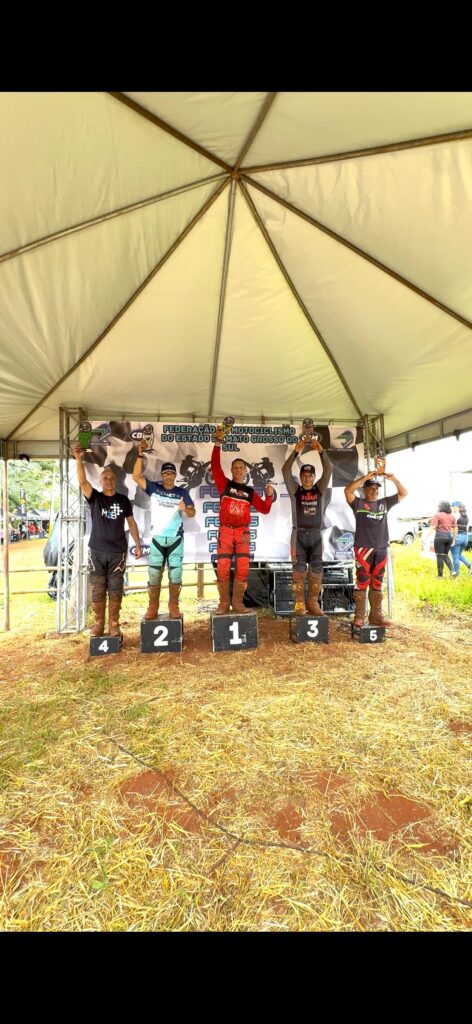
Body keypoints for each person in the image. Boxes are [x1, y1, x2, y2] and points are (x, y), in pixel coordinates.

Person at [73, 445, 142, 637]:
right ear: (100, 481)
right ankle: (98, 624)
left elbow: (131, 522)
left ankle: (114, 625)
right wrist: (78, 459)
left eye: (112, 478)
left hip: (118, 552)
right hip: (96, 551)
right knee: (97, 589)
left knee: (116, 589)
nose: (109, 481)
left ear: (116, 481)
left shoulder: (124, 500)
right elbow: (82, 481)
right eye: (105, 478)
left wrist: (137, 544)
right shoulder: (94, 497)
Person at [211, 426, 274, 614]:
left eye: (241, 467)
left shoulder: (250, 492)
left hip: (243, 533)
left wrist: (269, 496)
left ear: (245, 471)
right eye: (235, 467)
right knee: (223, 567)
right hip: (225, 531)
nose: (238, 470)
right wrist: (217, 443)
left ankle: (238, 603)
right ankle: (224, 604)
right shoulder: (224, 484)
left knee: (243, 568)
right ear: (231, 470)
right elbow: (215, 466)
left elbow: (265, 509)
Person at [133, 442, 196, 619]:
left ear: (175, 476)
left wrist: (185, 508)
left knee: (176, 574)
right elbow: (136, 476)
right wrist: (139, 455)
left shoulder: (182, 492)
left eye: (171, 473)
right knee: (154, 574)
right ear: (162, 475)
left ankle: (173, 605)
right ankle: (153, 606)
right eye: (166, 473)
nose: (168, 476)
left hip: (176, 539)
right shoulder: (154, 488)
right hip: (158, 538)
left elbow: (192, 513)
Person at [344, 470, 408, 627]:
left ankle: (375, 616)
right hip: (363, 548)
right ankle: (359, 616)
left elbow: (404, 493)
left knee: (377, 581)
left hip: (381, 548)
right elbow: (348, 491)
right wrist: (365, 477)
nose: (375, 491)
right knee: (362, 580)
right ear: (364, 490)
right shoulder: (358, 503)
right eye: (371, 488)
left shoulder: (385, 503)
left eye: (377, 489)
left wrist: (394, 479)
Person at [282, 438, 332, 615]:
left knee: (317, 570)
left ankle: (313, 603)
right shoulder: (295, 490)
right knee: (299, 571)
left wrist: (321, 452)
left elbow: (329, 469)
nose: (307, 478)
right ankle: (299, 604)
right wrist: (296, 452)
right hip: (299, 536)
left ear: (314, 477)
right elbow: (285, 470)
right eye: (304, 475)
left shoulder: (320, 489)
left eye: (310, 475)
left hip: (316, 536)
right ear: (301, 476)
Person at [424, 501, 458, 579]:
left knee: (439, 556)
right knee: (444, 555)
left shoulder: (438, 514)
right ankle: (452, 571)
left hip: (439, 537)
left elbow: (433, 527)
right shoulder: (452, 516)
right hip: (449, 537)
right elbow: (455, 528)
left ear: (441, 507)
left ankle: (440, 576)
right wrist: (454, 539)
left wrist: (426, 537)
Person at [450, 502, 471, 576]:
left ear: (456, 507)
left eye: (452, 506)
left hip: (457, 537)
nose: (451, 508)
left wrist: (452, 538)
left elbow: (452, 527)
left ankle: (456, 574)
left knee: (455, 556)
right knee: (458, 555)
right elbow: (467, 529)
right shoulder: (466, 516)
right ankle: (470, 566)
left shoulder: (455, 515)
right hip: (465, 538)